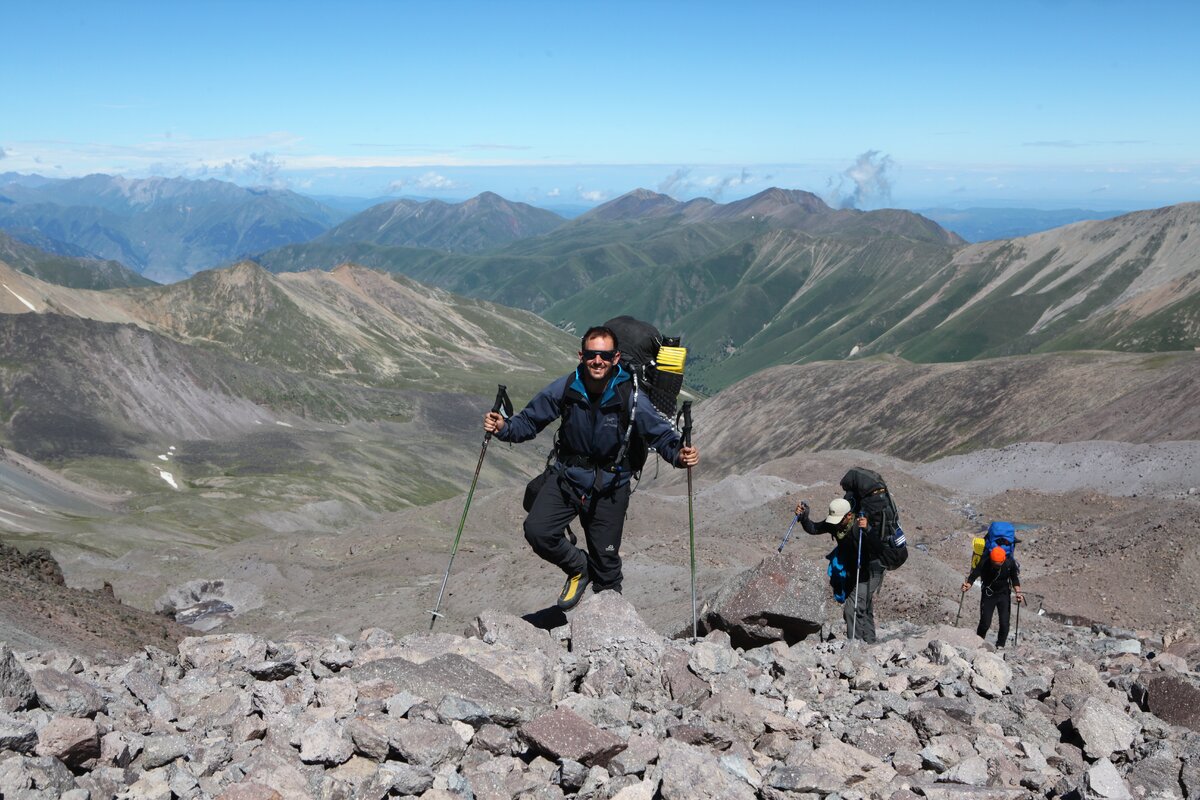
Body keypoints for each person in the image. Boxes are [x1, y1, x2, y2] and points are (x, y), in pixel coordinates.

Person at [484, 325, 700, 610]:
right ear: (581, 355)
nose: (597, 361)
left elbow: (661, 434)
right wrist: (503, 427)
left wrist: (679, 455)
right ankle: (579, 568)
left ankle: (609, 628)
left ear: (616, 357)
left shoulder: (631, 397)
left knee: (607, 566)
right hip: (568, 478)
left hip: (611, 486)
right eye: (591, 354)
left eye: (604, 355)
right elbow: (529, 422)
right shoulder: (566, 387)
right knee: (538, 530)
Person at [794, 497, 883, 643]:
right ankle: (869, 644)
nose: (835, 524)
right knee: (864, 608)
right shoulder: (835, 523)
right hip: (853, 570)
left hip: (871, 570)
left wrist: (868, 530)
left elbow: (880, 548)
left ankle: (854, 648)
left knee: (852, 609)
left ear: (849, 515)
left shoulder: (860, 526)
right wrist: (804, 517)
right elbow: (814, 528)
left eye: (839, 520)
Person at [961, 545, 1024, 647]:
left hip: (1004, 594)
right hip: (988, 594)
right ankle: (978, 643)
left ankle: (1000, 646)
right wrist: (968, 584)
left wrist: (1018, 592)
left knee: (1004, 624)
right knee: (985, 623)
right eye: (995, 565)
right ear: (991, 560)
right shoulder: (984, 561)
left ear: (1004, 559)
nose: (997, 567)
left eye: (999, 565)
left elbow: (1014, 578)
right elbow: (975, 573)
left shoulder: (1009, 563)